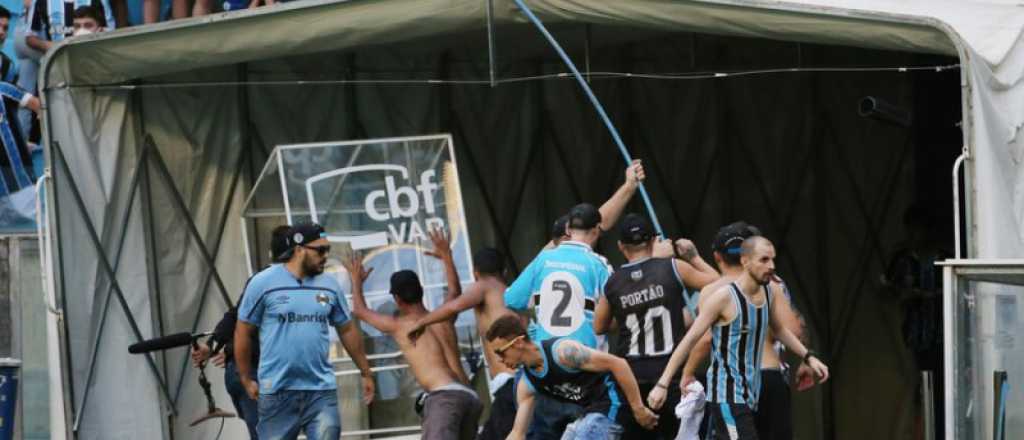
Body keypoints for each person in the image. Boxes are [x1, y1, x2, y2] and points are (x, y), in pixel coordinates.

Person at [648, 236, 829, 440]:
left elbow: (780, 330)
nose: (771, 266)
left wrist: (808, 357)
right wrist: (663, 384)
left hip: (751, 393)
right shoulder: (724, 297)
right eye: (764, 260)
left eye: (772, 259)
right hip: (727, 395)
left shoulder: (768, 292)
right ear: (745, 261)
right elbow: (691, 339)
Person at [235, 222, 375, 440]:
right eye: (320, 250)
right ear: (299, 249)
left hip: (321, 391)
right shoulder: (262, 282)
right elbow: (242, 331)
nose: (325, 256)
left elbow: (347, 329)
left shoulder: (329, 285)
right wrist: (245, 378)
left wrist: (366, 372)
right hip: (277, 392)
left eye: (327, 250)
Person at [593, 213, 719, 439]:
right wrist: (692, 256)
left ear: (621, 246)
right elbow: (719, 284)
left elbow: (599, 326)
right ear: (653, 240)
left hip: (632, 379)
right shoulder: (673, 267)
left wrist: (629, 310)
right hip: (670, 375)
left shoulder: (613, 282)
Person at [344, 256, 482, 440]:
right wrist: (446, 255)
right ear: (421, 291)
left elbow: (360, 311)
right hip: (469, 397)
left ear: (397, 299)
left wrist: (356, 280)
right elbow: (454, 291)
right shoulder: (443, 318)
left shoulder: (401, 326)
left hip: (444, 397)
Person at [191, 224, 292, 439]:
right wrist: (221, 348)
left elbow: (237, 315)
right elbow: (240, 318)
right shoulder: (274, 282)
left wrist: (215, 346)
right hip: (254, 373)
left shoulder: (265, 280)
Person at [485, 314, 657, 440]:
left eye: (501, 352)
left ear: (518, 343)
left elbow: (618, 364)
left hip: (613, 405)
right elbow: (518, 433)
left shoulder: (563, 352)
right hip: (588, 414)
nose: (500, 360)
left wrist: (639, 409)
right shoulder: (527, 383)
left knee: (587, 429)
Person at [546, 160, 646, 249]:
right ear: (565, 237)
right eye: (576, 232)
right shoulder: (594, 261)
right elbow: (599, 223)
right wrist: (629, 186)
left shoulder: (543, 259)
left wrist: (629, 186)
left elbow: (597, 222)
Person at [27, 1, 115, 52]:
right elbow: (30, 37)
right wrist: (47, 45)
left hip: (95, 56)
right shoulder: (40, 1)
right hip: (58, 61)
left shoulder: (100, 1)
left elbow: (111, 32)